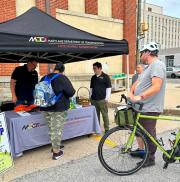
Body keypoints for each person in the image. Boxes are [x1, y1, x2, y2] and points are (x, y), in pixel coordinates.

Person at [129, 42, 166, 167]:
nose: (140, 55)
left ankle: (150, 159)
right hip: (142, 107)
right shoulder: (147, 68)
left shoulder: (157, 65)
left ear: (147, 52)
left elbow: (156, 86)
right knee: (142, 132)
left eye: (141, 53)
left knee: (149, 134)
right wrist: (131, 92)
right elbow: (138, 83)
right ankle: (145, 153)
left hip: (150, 107)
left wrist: (139, 96)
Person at [41, 62, 75, 160]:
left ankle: (55, 146)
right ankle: (56, 152)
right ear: (62, 70)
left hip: (45, 108)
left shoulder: (44, 78)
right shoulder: (62, 78)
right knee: (57, 130)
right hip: (58, 108)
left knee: (51, 128)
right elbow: (71, 92)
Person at [90, 62, 112, 133]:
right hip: (94, 100)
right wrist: (90, 97)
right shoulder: (93, 77)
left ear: (100, 68)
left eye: (95, 68)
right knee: (96, 116)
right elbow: (91, 88)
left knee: (104, 115)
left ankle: (107, 129)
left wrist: (106, 99)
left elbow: (108, 88)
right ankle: (97, 129)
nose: (94, 70)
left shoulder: (106, 77)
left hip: (102, 100)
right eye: (93, 69)